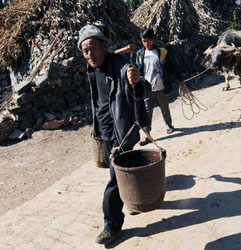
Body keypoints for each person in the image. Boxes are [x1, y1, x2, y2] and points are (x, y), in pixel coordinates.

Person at [78, 24, 151, 244]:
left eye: (93, 48)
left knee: (114, 179)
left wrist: (136, 81)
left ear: (105, 45)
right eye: (85, 51)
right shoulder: (92, 70)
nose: (90, 54)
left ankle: (112, 224)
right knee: (124, 171)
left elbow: (143, 90)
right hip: (105, 131)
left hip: (123, 132)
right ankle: (137, 198)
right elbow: (99, 101)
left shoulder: (122, 66)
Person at [136, 28, 185, 146]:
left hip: (160, 86)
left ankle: (169, 125)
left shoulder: (162, 52)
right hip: (146, 89)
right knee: (147, 112)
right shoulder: (140, 54)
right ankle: (147, 135)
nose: (146, 43)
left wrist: (180, 79)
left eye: (148, 40)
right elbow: (138, 70)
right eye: (143, 41)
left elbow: (172, 66)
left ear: (153, 39)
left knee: (164, 108)